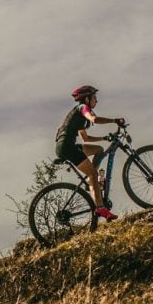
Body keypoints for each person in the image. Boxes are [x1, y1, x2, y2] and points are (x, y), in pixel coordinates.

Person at [55, 85, 126, 221]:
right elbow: (94, 119)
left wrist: (104, 138)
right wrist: (115, 120)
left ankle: (91, 181)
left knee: (98, 150)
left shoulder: (79, 116)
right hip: (67, 147)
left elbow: (85, 138)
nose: (96, 101)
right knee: (93, 173)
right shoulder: (83, 108)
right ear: (87, 99)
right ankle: (100, 207)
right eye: (94, 98)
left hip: (66, 146)